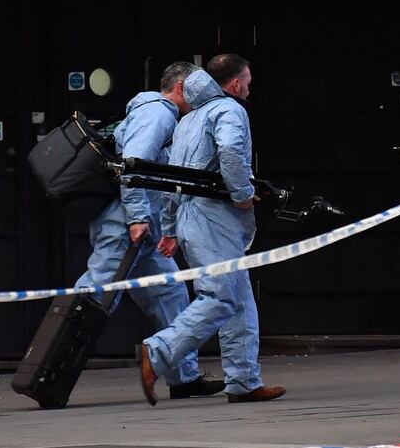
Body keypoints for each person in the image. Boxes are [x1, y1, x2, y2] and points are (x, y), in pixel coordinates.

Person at [139, 55, 286, 405]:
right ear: (235, 84)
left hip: (192, 217)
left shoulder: (188, 120)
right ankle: (157, 352)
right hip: (214, 218)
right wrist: (243, 195)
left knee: (238, 298)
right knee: (220, 297)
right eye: (247, 80)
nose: (249, 86)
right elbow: (232, 152)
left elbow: (174, 179)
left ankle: (244, 380)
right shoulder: (230, 111)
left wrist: (173, 229)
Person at [74, 61, 224, 399]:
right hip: (128, 226)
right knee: (93, 298)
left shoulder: (157, 114)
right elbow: (135, 165)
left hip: (143, 229)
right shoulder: (158, 114)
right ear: (182, 87)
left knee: (170, 294)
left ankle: (184, 378)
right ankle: (47, 366)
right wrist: (138, 218)